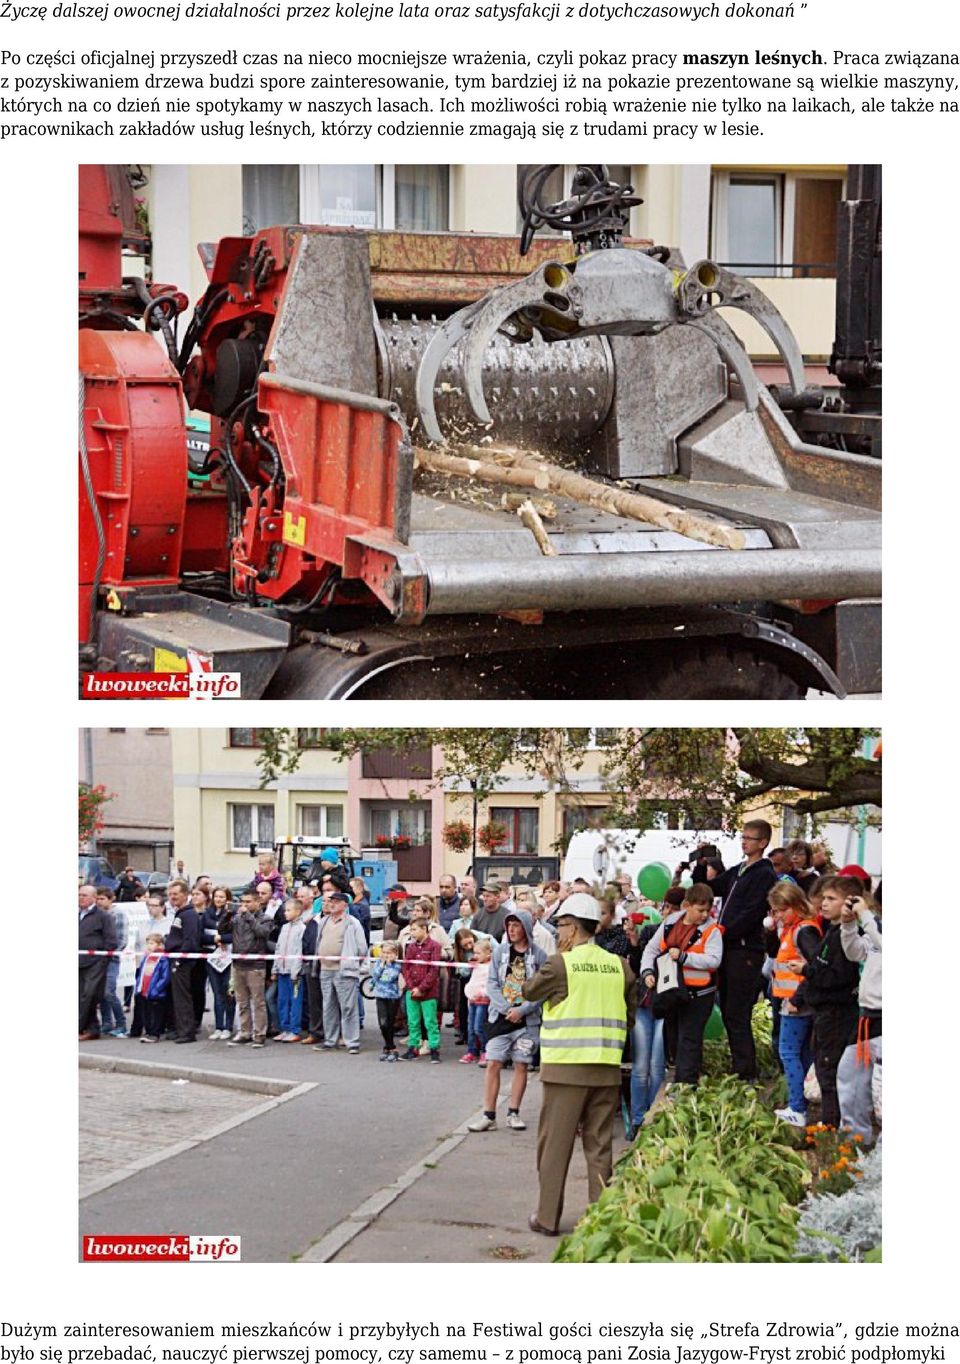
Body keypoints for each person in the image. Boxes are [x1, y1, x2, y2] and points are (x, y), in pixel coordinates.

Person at [522, 892, 635, 1236]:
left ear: (572, 928)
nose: (557, 933)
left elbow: (529, 992)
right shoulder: (621, 966)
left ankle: (547, 1217)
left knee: (555, 1145)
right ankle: (600, 1222)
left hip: (566, 1069)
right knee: (600, 1146)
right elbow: (629, 1015)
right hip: (606, 1068)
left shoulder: (560, 964)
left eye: (559, 926)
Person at [791, 874, 861, 1129]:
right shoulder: (832, 931)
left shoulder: (844, 935)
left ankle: (831, 1127)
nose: (824, 903)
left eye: (832, 898)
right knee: (824, 1067)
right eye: (824, 898)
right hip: (825, 1010)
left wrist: (806, 970)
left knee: (830, 1070)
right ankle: (829, 1122)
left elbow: (836, 976)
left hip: (836, 1012)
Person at [467, 907, 546, 1131]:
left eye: (516, 925)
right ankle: (489, 1115)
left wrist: (523, 1009)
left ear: (526, 928)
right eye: (509, 926)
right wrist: (504, 1008)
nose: (511, 930)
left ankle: (514, 1112)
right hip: (500, 1018)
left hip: (526, 1022)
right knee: (493, 1062)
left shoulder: (538, 955)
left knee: (521, 1064)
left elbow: (543, 989)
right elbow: (491, 983)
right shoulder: (501, 952)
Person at [712, 819, 777, 1081]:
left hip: (743, 950)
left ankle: (746, 1071)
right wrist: (703, 866)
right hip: (728, 947)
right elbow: (715, 887)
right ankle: (739, 1065)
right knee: (729, 1010)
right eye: (743, 837)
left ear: (762, 843)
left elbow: (753, 911)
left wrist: (726, 931)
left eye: (749, 838)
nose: (744, 842)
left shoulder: (763, 873)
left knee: (738, 1011)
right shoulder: (740, 869)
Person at [641, 883, 723, 1088]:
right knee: (674, 1037)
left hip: (698, 995)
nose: (704, 915)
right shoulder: (670, 923)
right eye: (700, 910)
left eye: (708, 910)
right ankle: (680, 1077)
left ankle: (686, 1085)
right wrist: (647, 972)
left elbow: (714, 960)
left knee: (690, 1039)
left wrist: (686, 957)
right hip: (672, 991)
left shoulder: (712, 931)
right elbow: (651, 949)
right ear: (687, 905)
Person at [767, 881, 823, 1127]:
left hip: (797, 1003)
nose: (777, 916)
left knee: (788, 1052)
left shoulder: (803, 931)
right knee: (801, 1053)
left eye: (780, 910)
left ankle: (797, 1107)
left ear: (795, 905)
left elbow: (814, 969)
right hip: (796, 1001)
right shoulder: (795, 929)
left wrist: (796, 999)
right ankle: (802, 1103)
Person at [836, 889, 882, 1142]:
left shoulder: (879, 930)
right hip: (867, 1018)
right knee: (849, 1077)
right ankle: (856, 1143)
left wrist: (864, 916)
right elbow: (855, 952)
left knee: (883, 1093)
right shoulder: (877, 930)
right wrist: (848, 924)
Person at [624, 909, 665, 1133]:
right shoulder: (648, 934)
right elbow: (635, 968)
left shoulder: (675, 938)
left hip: (663, 1007)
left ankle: (652, 1114)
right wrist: (632, 940)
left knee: (657, 1065)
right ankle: (639, 1117)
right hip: (642, 1006)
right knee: (641, 1066)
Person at [315, 891, 366, 1054]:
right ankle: (330, 1040)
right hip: (325, 969)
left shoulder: (352, 923)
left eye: (336, 902)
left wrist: (352, 961)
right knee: (328, 1006)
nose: (332, 904)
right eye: (330, 901)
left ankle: (352, 1041)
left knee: (348, 1007)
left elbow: (362, 947)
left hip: (343, 970)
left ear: (345, 905)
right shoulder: (323, 921)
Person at [227, 890, 274, 1048]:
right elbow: (223, 929)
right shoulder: (238, 918)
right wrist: (226, 915)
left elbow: (262, 933)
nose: (244, 905)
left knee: (258, 1002)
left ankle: (259, 1034)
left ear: (257, 902)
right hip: (238, 963)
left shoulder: (266, 918)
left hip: (255, 965)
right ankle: (245, 1031)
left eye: (248, 902)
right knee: (242, 1001)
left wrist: (249, 917)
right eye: (243, 902)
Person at [399, 918, 443, 1063]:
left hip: (428, 992)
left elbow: (434, 969)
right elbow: (406, 967)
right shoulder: (410, 947)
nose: (412, 932)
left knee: (430, 1021)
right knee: (413, 1021)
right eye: (411, 929)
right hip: (411, 991)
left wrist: (422, 988)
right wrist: (412, 987)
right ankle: (413, 1047)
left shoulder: (434, 946)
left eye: (414, 929)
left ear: (424, 929)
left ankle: (434, 1048)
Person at [79, 884, 118, 1041]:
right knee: (79, 995)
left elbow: (111, 942)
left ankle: (81, 1028)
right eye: (79, 895)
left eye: (84, 895)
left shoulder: (103, 916)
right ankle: (92, 1028)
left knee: (88, 995)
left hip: (95, 962)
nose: (80, 898)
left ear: (94, 898)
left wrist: (102, 961)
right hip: (78, 961)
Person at [165, 881, 202, 1044]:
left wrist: (180, 960)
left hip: (182, 962)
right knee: (176, 997)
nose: (173, 897)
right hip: (175, 958)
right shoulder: (180, 913)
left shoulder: (189, 915)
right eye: (171, 894)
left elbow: (190, 940)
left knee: (183, 998)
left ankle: (187, 1032)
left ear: (185, 895)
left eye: (176, 894)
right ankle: (180, 1028)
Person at [97, 888, 129, 1038]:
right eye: (98, 898)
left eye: (102, 898)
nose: (99, 901)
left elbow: (122, 939)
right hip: (97, 959)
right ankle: (106, 1023)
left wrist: (111, 953)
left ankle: (121, 1023)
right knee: (100, 993)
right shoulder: (98, 914)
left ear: (111, 899)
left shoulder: (118, 914)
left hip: (111, 958)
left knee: (109, 992)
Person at [274, 898, 307, 1041]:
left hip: (294, 972)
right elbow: (278, 948)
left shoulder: (302, 928)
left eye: (289, 910)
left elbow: (299, 951)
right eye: (285, 910)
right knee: (282, 1000)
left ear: (298, 912)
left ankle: (295, 1029)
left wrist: (296, 971)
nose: (285, 913)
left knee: (295, 1001)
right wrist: (275, 968)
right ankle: (284, 1028)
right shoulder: (284, 927)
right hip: (282, 970)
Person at [205, 887, 235, 1040]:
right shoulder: (207, 914)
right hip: (212, 959)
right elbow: (201, 934)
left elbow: (236, 934)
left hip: (228, 959)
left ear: (227, 898)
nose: (219, 899)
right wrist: (214, 939)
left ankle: (228, 1027)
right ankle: (218, 1026)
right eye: (216, 896)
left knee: (228, 993)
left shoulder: (232, 914)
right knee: (217, 994)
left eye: (222, 897)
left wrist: (221, 938)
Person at [370, 941, 405, 1062]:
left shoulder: (397, 965)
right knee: (382, 1023)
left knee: (390, 1023)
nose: (385, 955)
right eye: (383, 953)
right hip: (380, 996)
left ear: (395, 954)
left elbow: (391, 977)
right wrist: (382, 966)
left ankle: (390, 1048)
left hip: (392, 996)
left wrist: (389, 965)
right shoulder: (379, 963)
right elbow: (374, 975)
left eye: (389, 953)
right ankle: (389, 1046)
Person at [132, 934, 171, 1044]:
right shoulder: (147, 957)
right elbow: (142, 972)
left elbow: (165, 976)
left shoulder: (162, 958)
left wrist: (157, 989)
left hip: (155, 992)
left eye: (152, 943)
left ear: (159, 944)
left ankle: (155, 1033)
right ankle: (149, 1032)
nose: (149, 946)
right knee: (147, 1013)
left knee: (156, 1014)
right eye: (148, 943)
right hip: (145, 990)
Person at [298, 885, 324, 1045]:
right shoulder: (312, 923)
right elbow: (306, 942)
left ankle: (334, 1032)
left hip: (331, 966)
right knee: (313, 1002)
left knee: (331, 1002)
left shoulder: (343, 921)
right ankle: (315, 1032)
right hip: (312, 967)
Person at [463, 936, 493, 1064]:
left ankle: (485, 1051)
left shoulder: (491, 967)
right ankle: (472, 1051)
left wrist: (483, 993)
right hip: (473, 1000)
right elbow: (472, 981)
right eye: (474, 952)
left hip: (483, 1001)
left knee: (478, 1028)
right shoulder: (476, 966)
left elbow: (490, 984)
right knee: (470, 1028)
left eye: (478, 953)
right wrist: (469, 992)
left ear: (488, 954)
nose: (475, 955)